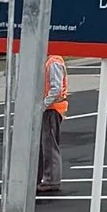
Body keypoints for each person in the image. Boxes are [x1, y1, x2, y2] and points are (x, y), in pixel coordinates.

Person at [36, 53, 68, 195]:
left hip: (52, 109)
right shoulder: (50, 61)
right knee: (46, 146)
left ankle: (51, 180)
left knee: (50, 146)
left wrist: (42, 106)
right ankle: (46, 178)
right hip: (51, 108)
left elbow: (56, 89)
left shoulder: (53, 62)